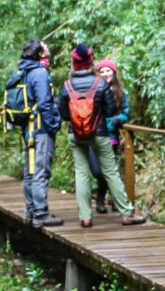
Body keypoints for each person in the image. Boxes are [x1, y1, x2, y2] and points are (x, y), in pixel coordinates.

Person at [59, 44, 145, 228]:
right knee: (111, 172)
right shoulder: (100, 84)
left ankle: (85, 217)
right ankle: (126, 214)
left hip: (75, 134)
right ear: (91, 62)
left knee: (81, 173)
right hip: (99, 133)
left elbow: (64, 115)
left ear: (74, 64)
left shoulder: (67, 86)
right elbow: (111, 110)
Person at [17, 38, 63, 227]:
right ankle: (41, 213)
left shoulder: (23, 70)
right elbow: (45, 103)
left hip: (28, 127)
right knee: (41, 169)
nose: (47, 45)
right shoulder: (39, 73)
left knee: (30, 170)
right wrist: (54, 124)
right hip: (41, 128)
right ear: (40, 53)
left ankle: (31, 211)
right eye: (44, 45)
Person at [90, 58, 130, 212]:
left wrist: (119, 119)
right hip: (94, 135)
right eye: (102, 71)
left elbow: (126, 113)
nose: (106, 73)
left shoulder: (122, 93)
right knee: (97, 171)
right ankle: (103, 197)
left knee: (109, 170)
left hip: (111, 137)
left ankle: (103, 200)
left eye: (108, 70)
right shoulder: (94, 90)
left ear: (114, 72)